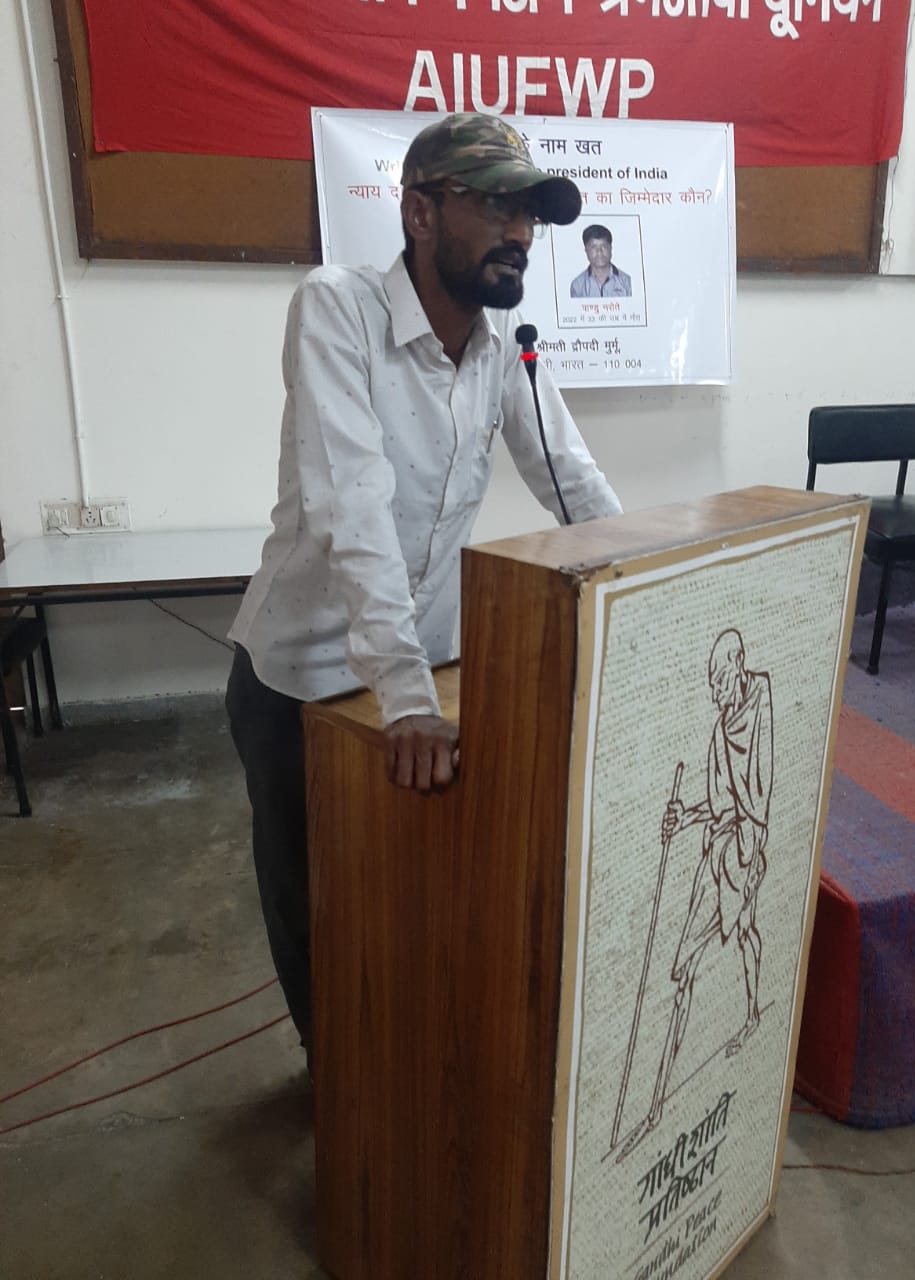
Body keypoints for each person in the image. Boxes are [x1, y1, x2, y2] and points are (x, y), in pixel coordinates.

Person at [225, 113, 622, 1064]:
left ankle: (406, 1090)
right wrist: (405, 696)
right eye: (496, 207)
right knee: (317, 911)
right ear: (419, 212)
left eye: (530, 214)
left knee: (417, 898)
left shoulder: (504, 347)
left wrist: (650, 586)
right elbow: (351, 505)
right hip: (303, 680)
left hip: (427, 678)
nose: (520, 232)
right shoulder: (338, 308)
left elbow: (573, 480)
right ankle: (340, 1096)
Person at [618, 629, 772, 1160]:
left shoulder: (761, 707)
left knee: (717, 946)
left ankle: (747, 1018)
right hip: (722, 849)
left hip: (742, 853)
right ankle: (659, 1101)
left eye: (720, 681)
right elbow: (721, 803)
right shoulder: (720, 729)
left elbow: (754, 801)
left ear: (739, 668)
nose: (715, 692)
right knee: (700, 955)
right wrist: (684, 815)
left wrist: (743, 844)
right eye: (711, 684)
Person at [569, 224, 632, 298]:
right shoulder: (577, 286)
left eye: (604, 246)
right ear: (586, 250)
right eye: (593, 247)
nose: (599, 252)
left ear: (611, 248)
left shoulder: (627, 282)